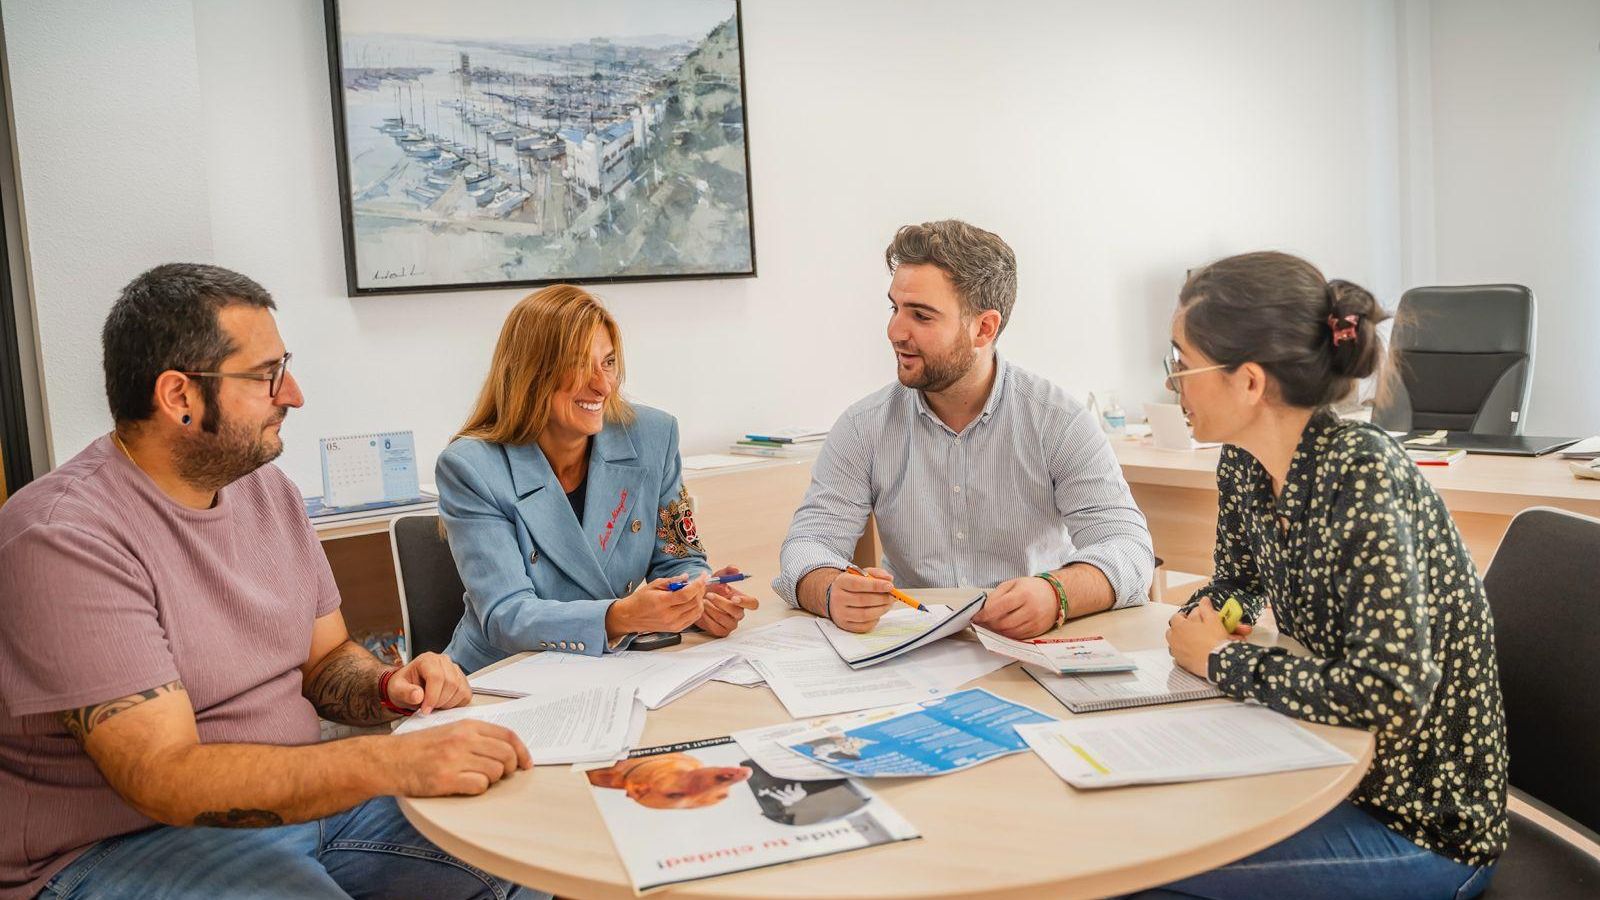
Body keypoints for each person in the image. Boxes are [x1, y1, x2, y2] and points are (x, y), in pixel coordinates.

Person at [0, 264, 534, 900]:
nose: (295, 393)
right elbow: (163, 777)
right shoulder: (62, 538)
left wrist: (392, 689)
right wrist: (384, 760)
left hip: (307, 808)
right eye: (266, 376)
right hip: (122, 843)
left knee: (522, 852)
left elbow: (326, 659)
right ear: (180, 398)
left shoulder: (267, 492)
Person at [1141, 252, 1505, 898]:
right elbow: (1237, 585)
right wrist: (1207, 617)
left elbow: (1391, 693)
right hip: (1329, 771)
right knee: (1148, 828)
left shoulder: (1363, 475)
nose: (1174, 385)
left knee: (1146, 873)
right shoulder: (1245, 465)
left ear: (1248, 383)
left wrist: (1223, 663)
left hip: (1422, 825)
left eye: (1181, 363)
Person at [773, 220, 1154, 636]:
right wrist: (829, 589)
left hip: (1033, 642)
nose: (895, 331)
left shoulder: (1057, 420)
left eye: (920, 315)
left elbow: (1130, 550)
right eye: (894, 308)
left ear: (984, 329)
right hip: (914, 646)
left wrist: (1056, 594)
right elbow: (807, 546)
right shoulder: (864, 427)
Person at [437, 284, 756, 673]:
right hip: (502, 677)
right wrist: (619, 617)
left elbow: (680, 559)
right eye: (579, 364)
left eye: (607, 363)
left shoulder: (653, 437)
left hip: (607, 670)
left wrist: (696, 597)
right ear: (531, 374)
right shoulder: (471, 468)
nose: (603, 386)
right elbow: (507, 615)